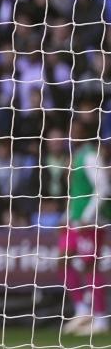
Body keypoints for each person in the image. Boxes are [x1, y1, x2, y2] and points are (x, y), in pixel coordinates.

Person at [61, 123, 110, 336]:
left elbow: (103, 188)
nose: (71, 132)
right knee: (62, 257)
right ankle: (82, 308)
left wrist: (89, 216)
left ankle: (99, 318)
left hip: (90, 220)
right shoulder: (78, 155)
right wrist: (67, 217)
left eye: (76, 129)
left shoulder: (90, 156)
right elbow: (77, 192)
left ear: (85, 133)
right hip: (76, 219)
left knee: (91, 266)